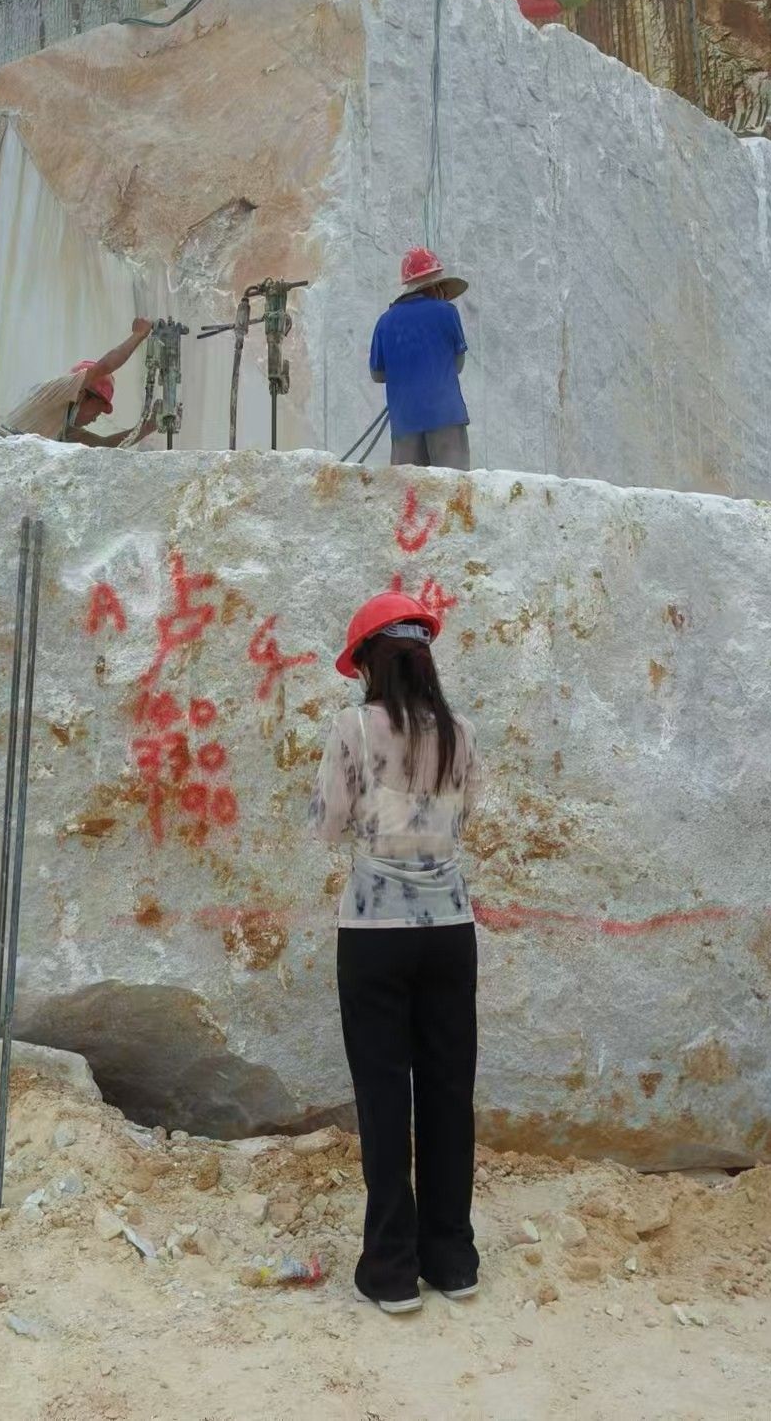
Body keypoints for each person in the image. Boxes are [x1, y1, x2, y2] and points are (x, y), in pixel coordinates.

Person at [310, 591, 482, 1315]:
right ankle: (452, 1258)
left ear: (368, 664)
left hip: (374, 935)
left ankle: (389, 1269)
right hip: (450, 930)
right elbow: (466, 816)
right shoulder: (461, 734)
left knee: (384, 1098)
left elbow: (327, 824)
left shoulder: (352, 728)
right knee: (449, 1092)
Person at [369, 248, 471, 471]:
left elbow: (377, 374)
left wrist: (406, 372)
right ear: (434, 286)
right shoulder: (447, 312)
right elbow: (458, 364)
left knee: (409, 490)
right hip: (447, 420)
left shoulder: (385, 322)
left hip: (404, 425)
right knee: (452, 485)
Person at [6, 319, 156, 446]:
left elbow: (104, 445)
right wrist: (138, 335)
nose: (95, 419)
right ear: (82, 394)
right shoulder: (59, 390)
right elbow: (104, 367)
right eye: (97, 411)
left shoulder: (63, 424)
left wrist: (149, 426)